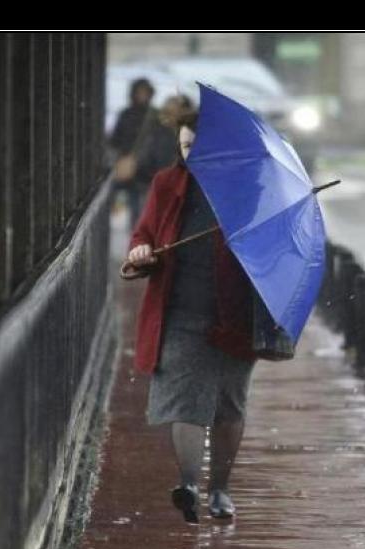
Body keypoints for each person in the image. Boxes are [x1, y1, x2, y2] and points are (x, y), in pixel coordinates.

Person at [125, 112, 257, 524]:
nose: (192, 155)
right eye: (185, 147)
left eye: (200, 147)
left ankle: (221, 490)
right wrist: (141, 252)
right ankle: (189, 484)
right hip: (178, 309)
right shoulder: (167, 183)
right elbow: (143, 233)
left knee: (227, 405)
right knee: (185, 400)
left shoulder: (249, 186)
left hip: (235, 313)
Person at [109, 77, 158, 228]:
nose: (142, 96)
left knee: (140, 208)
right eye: (139, 92)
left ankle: (137, 239)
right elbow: (115, 140)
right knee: (135, 206)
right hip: (131, 168)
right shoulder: (127, 114)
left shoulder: (155, 116)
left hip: (146, 170)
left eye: (144, 92)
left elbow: (160, 144)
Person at [135, 94, 195, 187]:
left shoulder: (191, 138)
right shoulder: (155, 135)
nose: (167, 117)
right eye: (166, 112)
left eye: (172, 113)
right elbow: (143, 165)